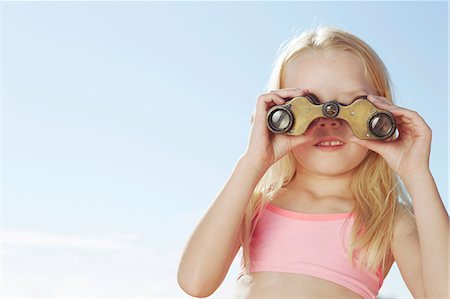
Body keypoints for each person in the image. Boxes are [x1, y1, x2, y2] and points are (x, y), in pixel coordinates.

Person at [177, 26, 449, 299]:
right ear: (278, 113)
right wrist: (253, 162)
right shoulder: (256, 203)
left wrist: (416, 174)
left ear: (381, 115)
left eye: (352, 105)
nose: (329, 120)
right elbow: (195, 282)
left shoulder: (386, 219)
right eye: (307, 106)